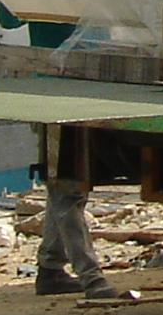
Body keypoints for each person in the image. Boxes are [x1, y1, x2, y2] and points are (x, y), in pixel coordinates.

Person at [35, 124, 126, 301]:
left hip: (70, 123)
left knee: (65, 192)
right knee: (67, 191)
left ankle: (50, 270)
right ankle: (92, 279)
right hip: (63, 125)